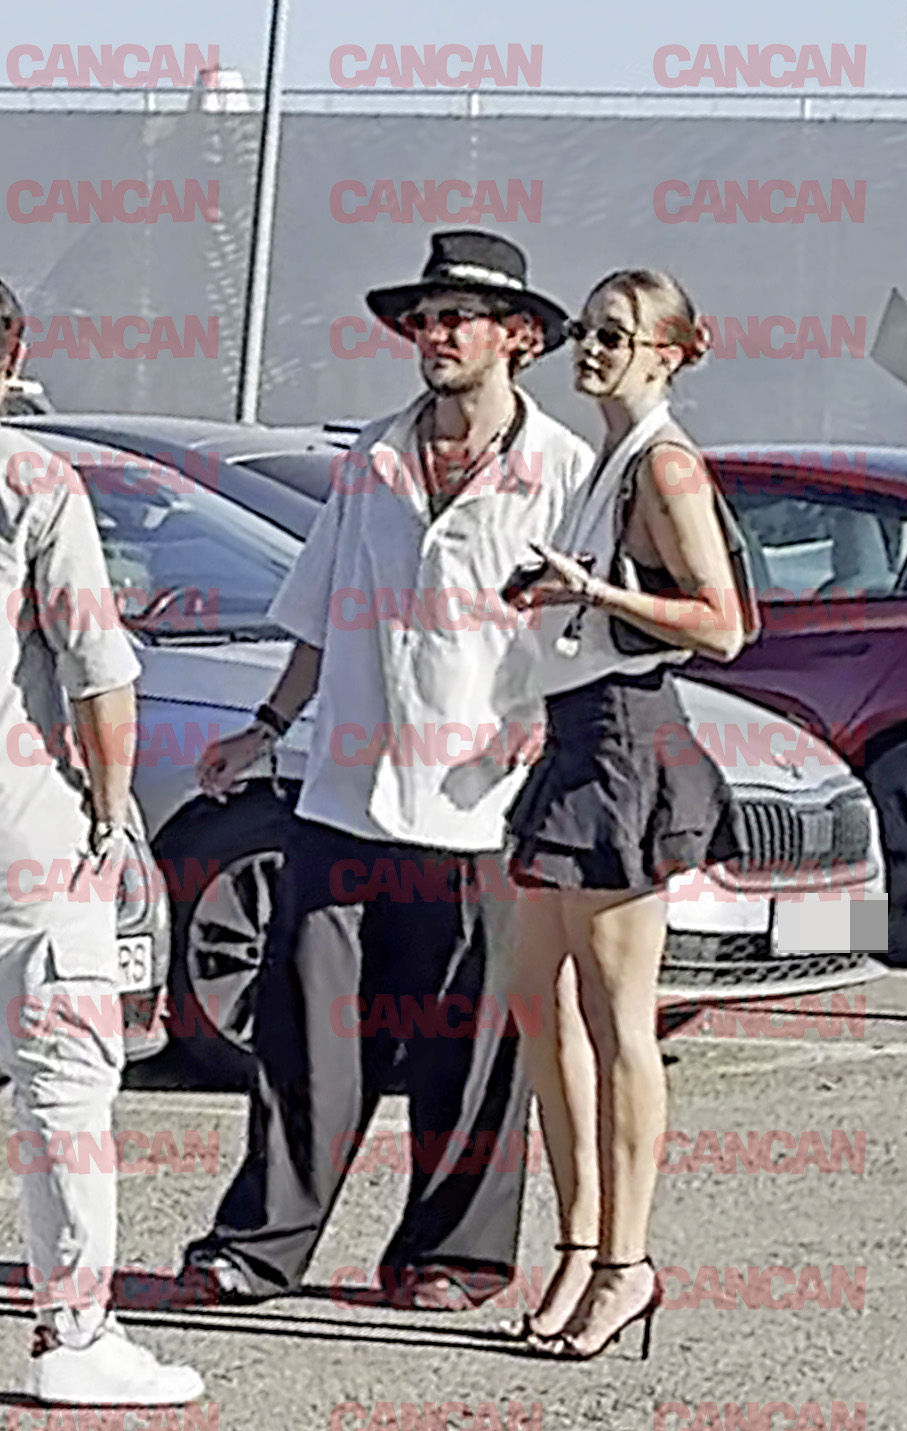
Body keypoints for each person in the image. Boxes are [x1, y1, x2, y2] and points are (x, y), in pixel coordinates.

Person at [181, 232, 593, 1310]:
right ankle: (258, 1246)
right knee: (306, 1038)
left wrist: (550, 728)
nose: (434, 334)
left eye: (458, 317)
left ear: (519, 337)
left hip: (482, 805)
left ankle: (452, 1257)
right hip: (346, 797)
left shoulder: (564, 470)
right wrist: (266, 725)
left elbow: (586, 632)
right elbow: (320, 612)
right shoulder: (371, 457)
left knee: (472, 1049)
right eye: (425, 318)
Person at [505, 269, 749, 1360]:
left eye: (615, 334)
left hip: (623, 743)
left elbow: (722, 625)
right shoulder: (605, 459)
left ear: (669, 351)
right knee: (538, 1001)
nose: (591, 349)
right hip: (571, 737)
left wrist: (596, 595)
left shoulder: (665, 462)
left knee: (618, 1024)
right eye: (585, 331)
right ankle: (578, 1242)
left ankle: (627, 1263)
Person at [0, 278, 203, 1403]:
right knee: (65, 1078)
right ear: (13, 357)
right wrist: (112, 810)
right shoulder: (34, 481)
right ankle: (73, 1332)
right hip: (27, 832)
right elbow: (96, 673)